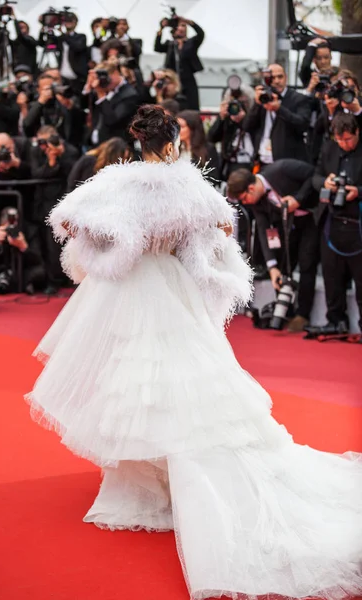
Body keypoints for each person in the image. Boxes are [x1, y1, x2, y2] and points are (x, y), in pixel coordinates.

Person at [26, 105, 362, 600]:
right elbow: (222, 230)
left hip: (128, 290)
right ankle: (169, 481)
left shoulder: (116, 183)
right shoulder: (189, 187)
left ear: (139, 143)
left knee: (134, 377)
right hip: (170, 288)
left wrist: (119, 244)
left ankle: (144, 489)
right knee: (181, 377)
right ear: (171, 143)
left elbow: (67, 219)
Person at [227, 160, 320, 332]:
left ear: (251, 188)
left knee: (307, 263)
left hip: (310, 218)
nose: (246, 203)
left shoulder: (282, 169)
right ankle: (285, 312)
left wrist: (298, 199)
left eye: (244, 198)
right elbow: (263, 230)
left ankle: (303, 315)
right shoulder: (257, 203)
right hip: (286, 227)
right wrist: (272, 266)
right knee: (283, 265)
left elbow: (314, 174)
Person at [309, 112, 362, 336]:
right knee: (332, 274)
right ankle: (335, 320)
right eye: (340, 140)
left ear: (357, 132)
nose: (343, 144)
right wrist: (326, 182)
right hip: (332, 221)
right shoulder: (329, 148)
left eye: (348, 139)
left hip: (358, 223)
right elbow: (316, 177)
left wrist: (358, 191)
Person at [30, 125, 78, 294]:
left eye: (48, 141)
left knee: (70, 243)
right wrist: (50, 162)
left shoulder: (69, 151)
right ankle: (53, 281)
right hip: (43, 205)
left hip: (64, 201)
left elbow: (73, 172)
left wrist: (60, 156)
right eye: (41, 141)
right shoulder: (36, 152)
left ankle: (73, 278)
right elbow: (34, 173)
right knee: (49, 247)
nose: (45, 145)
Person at [243, 64, 311, 167]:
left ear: (286, 77)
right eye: (273, 78)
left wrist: (279, 109)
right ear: (267, 80)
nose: (277, 81)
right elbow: (247, 126)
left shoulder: (298, 99)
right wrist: (257, 104)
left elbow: (302, 125)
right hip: (262, 160)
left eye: (280, 77)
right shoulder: (263, 98)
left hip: (287, 161)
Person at [85, 60, 139, 146]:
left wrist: (101, 94)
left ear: (116, 73)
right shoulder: (102, 88)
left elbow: (112, 121)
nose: (105, 82)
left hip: (116, 148)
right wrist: (88, 86)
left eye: (107, 79)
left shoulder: (129, 95)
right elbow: (84, 106)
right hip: (95, 143)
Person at [154, 17, 204, 110]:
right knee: (172, 105)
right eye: (178, 26)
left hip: (188, 80)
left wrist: (186, 20)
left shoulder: (191, 42)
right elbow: (157, 47)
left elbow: (201, 33)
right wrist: (161, 28)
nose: (180, 28)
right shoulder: (170, 44)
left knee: (192, 105)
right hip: (173, 81)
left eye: (183, 26)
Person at [177, 110, 219, 180]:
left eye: (181, 126)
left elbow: (213, 177)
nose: (177, 130)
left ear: (192, 128)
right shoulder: (174, 148)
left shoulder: (208, 149)